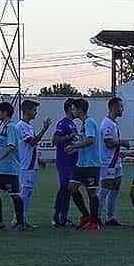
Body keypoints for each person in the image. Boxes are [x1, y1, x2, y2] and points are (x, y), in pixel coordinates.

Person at [64, 98, 104, 230]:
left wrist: (74, 147)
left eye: (74, 108)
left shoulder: (89, 122)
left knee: (92, 193)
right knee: (71, 188)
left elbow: (90, 140)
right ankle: (86, 216)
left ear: (80, 110)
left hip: (91, 164)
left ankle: (94, 222)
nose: (72, 111)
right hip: (81, 164)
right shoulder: (83, 124)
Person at [14, 99, 53, 229]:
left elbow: (32, 146)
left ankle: (22, 218)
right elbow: (32, 142)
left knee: (27, 192)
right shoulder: (21, 126)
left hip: (31, 164)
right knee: (24, 192)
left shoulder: (29, 126)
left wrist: (38, 160)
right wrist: (45, 128)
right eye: (34, 110)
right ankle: (18, 220)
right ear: (26, 111)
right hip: (25, 165)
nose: (36, 113)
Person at [0, 102, 23, 230]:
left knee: (15, 195)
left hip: (10, 168)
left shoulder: (11, 127)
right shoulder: (3, 126)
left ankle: (20, 222)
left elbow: (11, 146)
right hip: (1, 168)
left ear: (5, 113)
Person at [99, 97, 130, 226]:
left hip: (116, 162)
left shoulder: (113, 123)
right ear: (113, 107)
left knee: (115, 189)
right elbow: (108, 143)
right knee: (105, 189)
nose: (122, 109)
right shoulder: (106, 123)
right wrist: (122, 143)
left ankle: (110, 217)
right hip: (108, 163)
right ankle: (96, 216)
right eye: (120, 107)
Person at [51, 98, 80, 228]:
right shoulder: (63, 123)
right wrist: (69, 137)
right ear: (70, 108)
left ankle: (63, 217)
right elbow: (55, 140)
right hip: (64, 161)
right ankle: (57, 217)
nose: (76, 111)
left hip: (73, 161)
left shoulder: (73, 124)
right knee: (64, 188)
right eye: (74, 108)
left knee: (68, 189)